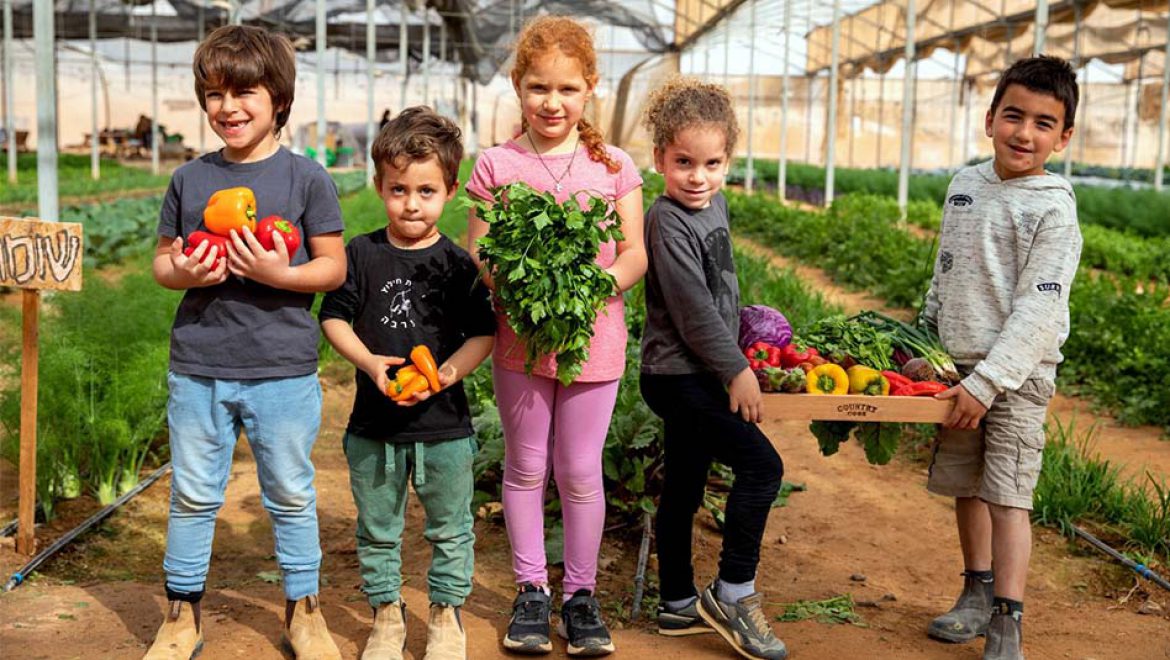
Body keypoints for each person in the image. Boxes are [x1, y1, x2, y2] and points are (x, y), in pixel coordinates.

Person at [147, 25, 347, 660]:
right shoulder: (190, 179)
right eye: (214, 94)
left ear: (278, 99)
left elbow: (332, 268)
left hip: (282, 368)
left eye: (244, 93)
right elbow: (162, 263)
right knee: (192, 493)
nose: (228, 107)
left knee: (289, 491)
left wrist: (277, 274)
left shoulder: (307, 178)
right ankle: (181, 614)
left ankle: (305, 611)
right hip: (198, 364)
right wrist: (185, 271)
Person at [464, 15, 646, 658]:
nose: (552, 102)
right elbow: (480, 251)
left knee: (579, 469)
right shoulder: (498, 164)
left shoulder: (614, 166)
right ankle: (531, 592)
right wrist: (521, 288)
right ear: (518, 86)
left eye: (568, 89)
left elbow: (634, 253)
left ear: (590, 88)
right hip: (520, 341)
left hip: (594, 342)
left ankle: (581, 596)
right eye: (539, 87)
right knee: (525, 466)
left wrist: (593, 286)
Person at [319, 106, 495, 660]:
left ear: (450, 192)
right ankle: (386, 616)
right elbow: (334, 318)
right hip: (374, 427)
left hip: (445, 427)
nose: (411, 204)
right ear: (380, 186)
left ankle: (446, 616)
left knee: (451, 528)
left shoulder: (459, 265)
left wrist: (444, 377)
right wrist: (371, 363)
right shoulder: (361, 253)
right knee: (377, 529)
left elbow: (482, 335)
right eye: (398, 190)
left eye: (426, 191)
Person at [922, 55, 1081, 660]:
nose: (1024, 133)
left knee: (1008, 495)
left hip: (1016, 378)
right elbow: (945, 271)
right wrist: (926, 339)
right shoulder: (964, 185)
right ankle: (975, 590)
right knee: (967, 486)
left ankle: (1008, 618)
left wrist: (988, 383)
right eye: (1014, 116)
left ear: (1063, 137)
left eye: (1044, 123)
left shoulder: (1053, 207)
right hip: (957, 371)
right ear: (990, 119)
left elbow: (1040, 309)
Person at [637, 77, 787, 660]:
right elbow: (692, 308)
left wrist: (744, 334)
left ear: (728, 160)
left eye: (712, 163)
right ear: (660, 159)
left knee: (685, 482)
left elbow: (721, 288)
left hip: (701, 371)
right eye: (683, 162)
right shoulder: (666, 219)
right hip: (677, 376)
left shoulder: (713, 204)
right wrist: (735, 369)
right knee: (762, 466)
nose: (697, 177)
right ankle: (733, 593)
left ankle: (677, 601)